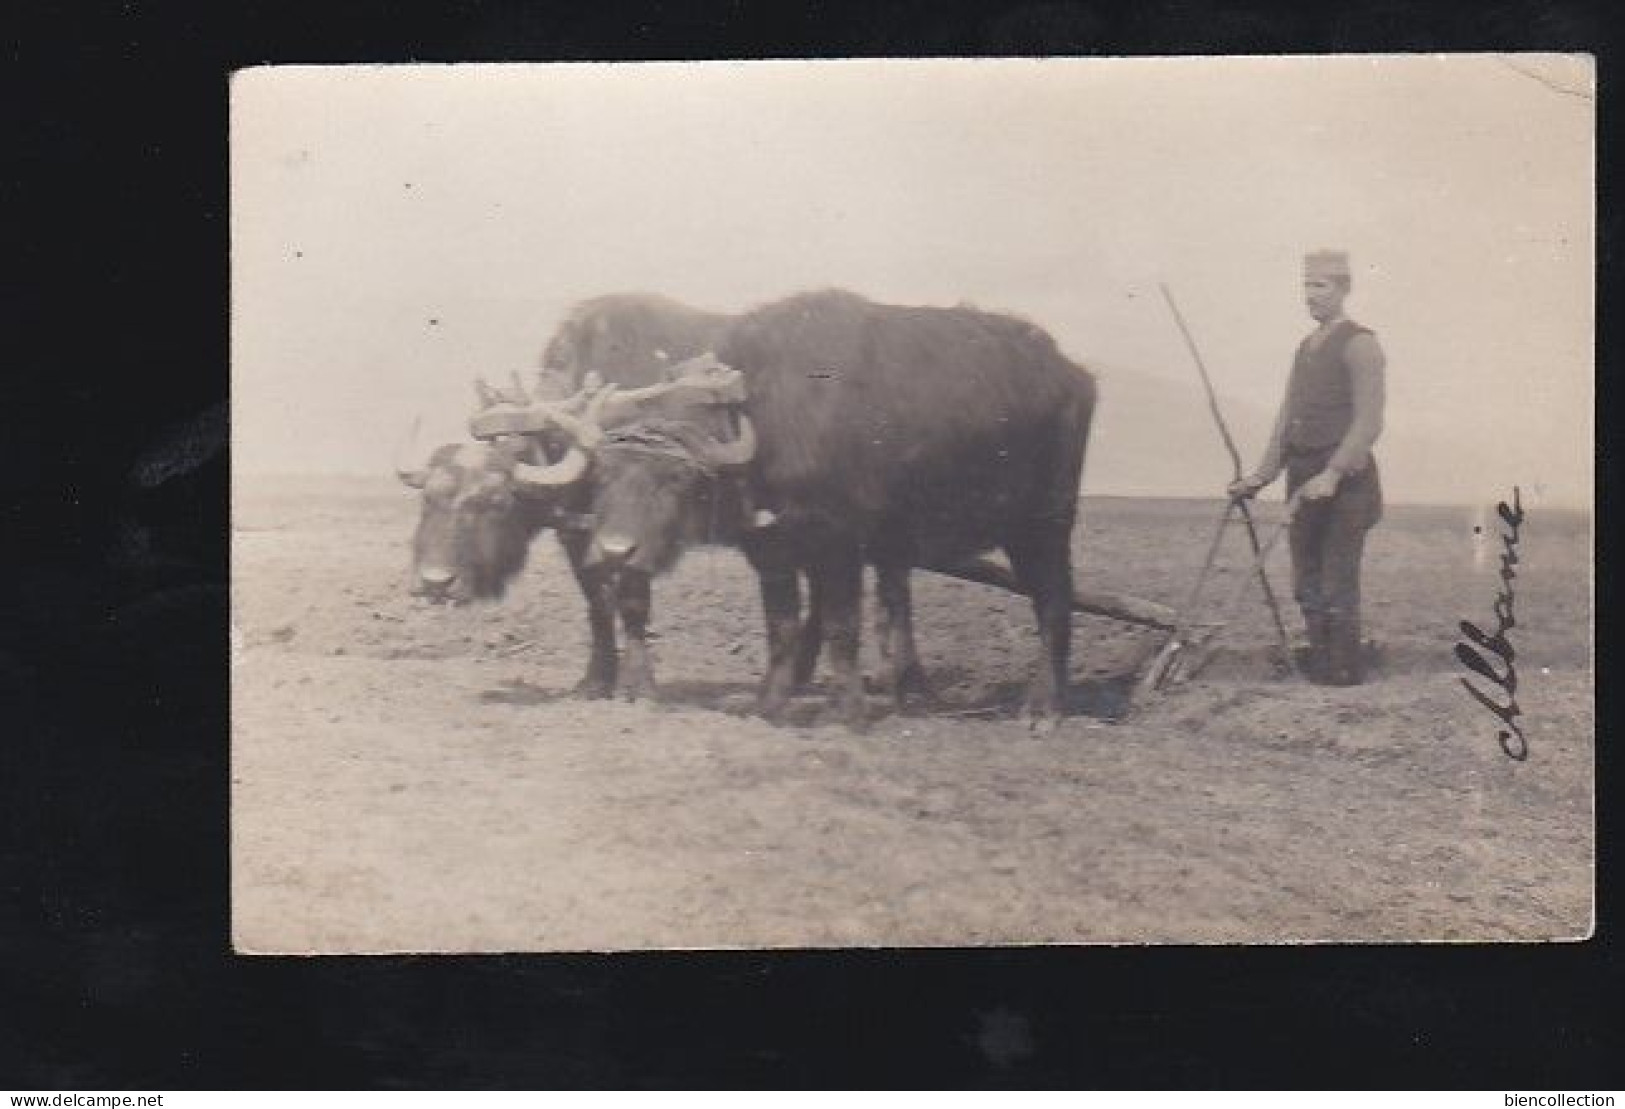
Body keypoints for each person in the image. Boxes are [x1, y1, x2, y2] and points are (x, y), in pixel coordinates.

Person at [1228, 250, 1385, 685]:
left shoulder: (1361, 344)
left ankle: (1344, 673)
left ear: (1344, 289)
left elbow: (1369, 422)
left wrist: (1333, 473)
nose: (1311, 295)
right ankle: (1320, 664)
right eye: (1306, 285)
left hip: (1347, 485)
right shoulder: (1306, 348)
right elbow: (1288, 417)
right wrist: (1260, 477)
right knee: (1305, 583)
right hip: (1302, 480)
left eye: (1321, 286)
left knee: (1336, 582)